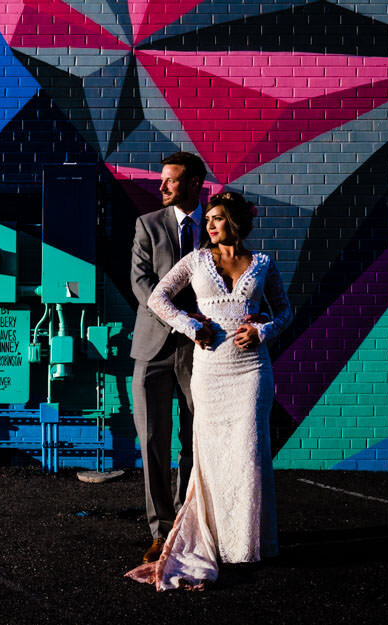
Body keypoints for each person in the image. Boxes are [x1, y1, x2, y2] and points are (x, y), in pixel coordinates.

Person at [126, 190, 293, 591]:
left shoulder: (263, 263)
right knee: (211, 452)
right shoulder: (197, 260)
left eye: (217, 218)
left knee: (249, 451)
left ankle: (247, 542)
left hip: (252, 370)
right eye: (210, 219)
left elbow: (285, 311)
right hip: (210, 370)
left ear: (233, 221)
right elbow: (157, 296)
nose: (211, 225)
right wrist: (189, 325)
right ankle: (214, 539)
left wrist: (263, 329)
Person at [129, 150, 208, 562]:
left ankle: (187, 523)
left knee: (195, 441)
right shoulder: (148, 225)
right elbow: (141, 283)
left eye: (171, 180)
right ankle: (161, 531)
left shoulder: (215, 227)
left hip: (201, 351)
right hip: (153, 349)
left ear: (195, 183)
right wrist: (182, 320)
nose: (161, 187)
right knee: (154, 443)